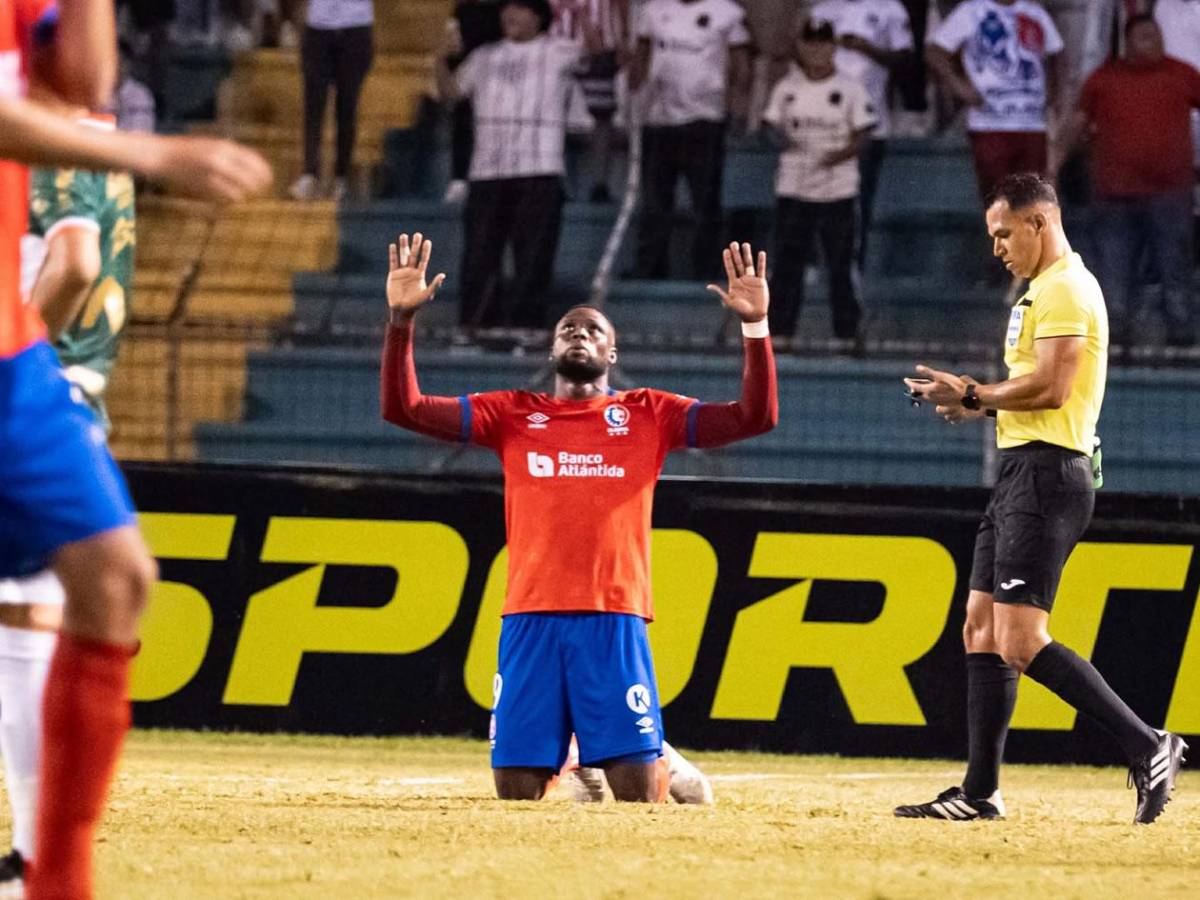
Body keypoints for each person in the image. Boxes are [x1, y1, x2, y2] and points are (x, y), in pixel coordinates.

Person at [0, 4, 272, 897]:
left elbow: (82, 84)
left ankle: (54, 882)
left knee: (113, 580)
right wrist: (153, 155)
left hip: (14, 357)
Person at [380, 232, 777, 801]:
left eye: (593, 330)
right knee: (516, 792)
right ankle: (574, 756)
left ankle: (662, 760)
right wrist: (400, 321)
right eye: (569, 328)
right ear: (552, 351)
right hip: (530, 615)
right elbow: (405, 408)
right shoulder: (512, 413)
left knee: (638, 796)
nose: (580, 334)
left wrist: (755, 328)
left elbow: (755, 417)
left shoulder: (650, 413)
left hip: (612, 614)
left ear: (611, 355)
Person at [896, 173, 1187, 825]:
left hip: (1048, 475)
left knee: (1021, 640)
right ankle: (980, 792)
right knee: (981, 628)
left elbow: (1053, 388)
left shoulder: (1065, 289)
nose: (997, 247)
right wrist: (976, 402)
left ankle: (1148, 744)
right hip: (1022, 470)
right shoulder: (1040, 291)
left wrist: (976, 394)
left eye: (1004, 233)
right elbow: (1033, 389)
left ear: (1039, 222)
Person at [0, 107, 138, 898]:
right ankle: (34, 858)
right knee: (30, 615)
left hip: (29, 388)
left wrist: (18, 364)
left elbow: (75, 262)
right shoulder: (92, 138)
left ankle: (33, 857)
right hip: (52, 389)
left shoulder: (53, 134)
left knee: (29, 614)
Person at [435, 0, 597, 329]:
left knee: (533, 258)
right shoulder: (482, 56)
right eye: (507, 8)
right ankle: (476, 327)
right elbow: (452, 93)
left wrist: (581, 13)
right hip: (487, 173)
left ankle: (526, 328)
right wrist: (440, 59)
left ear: (538, 17)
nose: (511, 15)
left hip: (539, 171)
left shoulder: (559, 51)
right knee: (480, 256)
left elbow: (594, 53)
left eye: (521, 9)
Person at [1055, 14, 1200, 350]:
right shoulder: (1103, 79)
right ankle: (1116, 337)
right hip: (1114, 196)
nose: (1154, 42)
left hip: (1170, 193)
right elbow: (1077, 123)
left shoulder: (1183, 74)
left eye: (1156, 35)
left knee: (1175, 268)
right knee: (1115, 272)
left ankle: (1181, 335)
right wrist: (1055, 161)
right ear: (1128, 43)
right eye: (1145, 37)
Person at [762, 19, 876, 343]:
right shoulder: (787, 88)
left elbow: (865, 133)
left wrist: (839, 155)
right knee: (788, 262)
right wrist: (781, 140)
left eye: (823, 43)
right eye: (810, 43)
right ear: (801, 46)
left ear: (833, 47)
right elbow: (769, 126)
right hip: (794, 186)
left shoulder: (851, 88)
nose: (816, 50)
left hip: (837, 189)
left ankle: (847, 334)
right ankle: (781, 332)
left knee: (840, 264)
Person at [628, 0, 752, 280]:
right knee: (654, 199)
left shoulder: (727, 12)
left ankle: (705, 269)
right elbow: (642, 56)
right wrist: (635, 99)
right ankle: (650, 267)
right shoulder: (653, 10)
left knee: (705, 200)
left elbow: (741, 66)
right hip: (659, 120)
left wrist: (737, 107)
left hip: (704, 120)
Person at [808, 0, 913, 263]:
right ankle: (818, 261)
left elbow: (904, 58)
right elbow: (803, 57)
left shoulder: (890, 9)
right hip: (822, 121)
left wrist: (866, 48)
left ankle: (852, 264)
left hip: (868, 124)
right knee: (816, 196)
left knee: (857, 199)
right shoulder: (823, 10)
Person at [926, 0, 1063, 203]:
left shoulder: (1034, 12)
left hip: (1032, 122)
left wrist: (1053, 90)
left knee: (1033, 199)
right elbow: (935, 52)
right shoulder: (972, 11)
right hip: (990, 122)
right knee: (998, 198)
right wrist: (960, 87)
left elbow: (1056, 53)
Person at [288, 0, 374, 201]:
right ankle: (310, 174)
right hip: (318, 26)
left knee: (347, 106)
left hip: (356, 25)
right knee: (313, 105)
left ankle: (341, 176)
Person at [550, 0, 630, 202]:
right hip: (556, 44)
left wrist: (625, 38)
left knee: (601, 117)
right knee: (552, 114)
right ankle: (555, 183)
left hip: (603, 45)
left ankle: (600, 184)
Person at [442, 0, 503, 205]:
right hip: (470, 70)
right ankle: (459, 178)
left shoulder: (510, 10)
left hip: (503, 73)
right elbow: (454, 44)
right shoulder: (463, 10)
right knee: (463, 112)